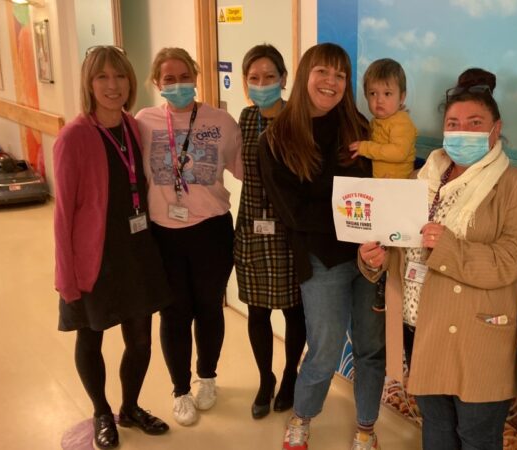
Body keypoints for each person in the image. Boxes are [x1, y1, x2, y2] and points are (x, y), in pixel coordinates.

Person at [359, 69, 517, 450]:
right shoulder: (420, 179)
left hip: (477, 334)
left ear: (496, 128)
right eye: (453, 124)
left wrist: (449, 248)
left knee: (476, 436)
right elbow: (399, 245)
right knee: (436, 431)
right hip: (422, 328)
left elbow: (515, 258)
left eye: (476, 123)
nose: (463, 132)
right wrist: (374, 258)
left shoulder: (516, 185)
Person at [257, 43, 386, 450]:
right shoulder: (277, 138)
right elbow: (293, 213)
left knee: (370, 347)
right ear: (303, 75)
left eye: (340, 75)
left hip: (369, 255)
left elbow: (379, 190)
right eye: (322, 72)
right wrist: (350, 220)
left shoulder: (359, 129)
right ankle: (303, 414)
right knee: (325, 348)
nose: (331, 82)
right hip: (321, 258)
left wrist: (377, 234)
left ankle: (366, 425)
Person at [53, 46, 171, 449]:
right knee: (91, 337)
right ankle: (102, 411)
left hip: (137, 249)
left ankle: (131, 407)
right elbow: (63, 216)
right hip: (94, 256)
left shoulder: (133, 127)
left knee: (140, 339)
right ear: (89, 83)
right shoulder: (74, 137)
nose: (112, 85)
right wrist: (66, 276)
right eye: (102, 77)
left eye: (120, 77)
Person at [135, 47, 243, 426]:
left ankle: (208, 378)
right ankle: (180, 390)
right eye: (169, 78)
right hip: (163, 233)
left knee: (209, 308)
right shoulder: (143, 122)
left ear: (196, 77)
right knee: (174, 313)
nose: (178, 84)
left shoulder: (223, 122)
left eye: (184, 76)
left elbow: (248, 170)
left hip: (211, 229)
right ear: (156, 83)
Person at [233, 44, 306, 420]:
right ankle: (266, 378)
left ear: (284, 79)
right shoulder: (245, 119)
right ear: (246, 84)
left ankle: (291, 377)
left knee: (295, 312)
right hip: (251, 227)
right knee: (257, 312)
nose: (261, 84)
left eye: (269, 77)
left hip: (288, 232)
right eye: (254, 78)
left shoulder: (299, 121)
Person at [348, 58, 417, 313]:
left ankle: (385, 288)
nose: (379, 100)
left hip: (397, 191)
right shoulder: (377, 122)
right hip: (382, 191)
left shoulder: (401, 122)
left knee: (391, 245)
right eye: (373, 94)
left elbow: (398, 152)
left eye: (387, 93)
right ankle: (380, 285)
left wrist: (366, 148)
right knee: (378, 242)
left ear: (402, 96)